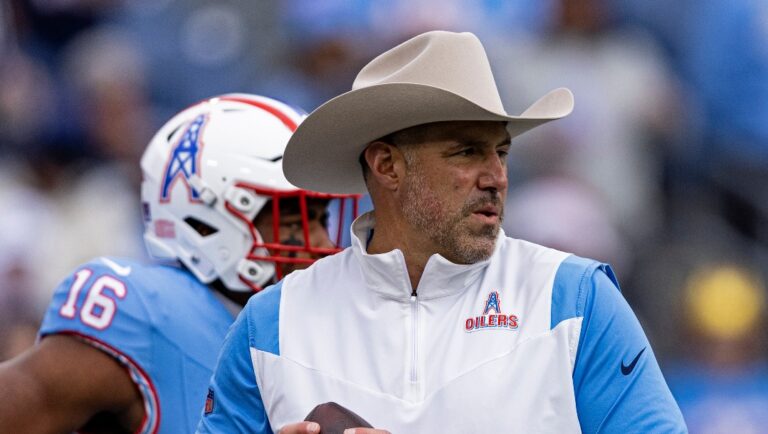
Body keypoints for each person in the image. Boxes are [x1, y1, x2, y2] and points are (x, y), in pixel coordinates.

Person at [197, 31, 687, 433]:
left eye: (502, 152)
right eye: (467, 152)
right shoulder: (272, 321)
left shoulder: (576, 298)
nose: (497, 175)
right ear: (386, 165)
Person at [0, 93, 358, 433]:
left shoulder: (318, 327)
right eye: (293, 223)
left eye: (320, 219)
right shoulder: (147, 314)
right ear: (204, 222)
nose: (324, 244)